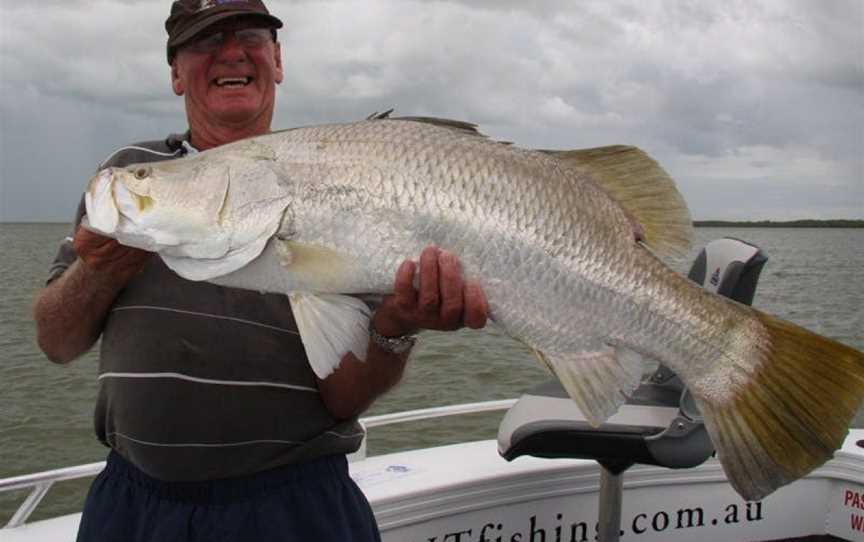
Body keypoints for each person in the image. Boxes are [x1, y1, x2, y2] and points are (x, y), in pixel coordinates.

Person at [32, 1, 488, 540]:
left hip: (295, 507)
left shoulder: (352, 186)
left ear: (277, 59)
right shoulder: (125, 173)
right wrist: (99, 270)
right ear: (176, 71)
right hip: (135, 508)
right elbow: (55, 342)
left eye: (249, 34)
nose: (230, 52)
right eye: (204, 41)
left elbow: (343, 398)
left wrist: (396, 326)